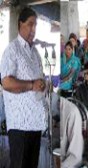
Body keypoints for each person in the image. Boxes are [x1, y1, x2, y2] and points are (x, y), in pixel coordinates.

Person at [0, 7, 47, 168]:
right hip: (20, 124)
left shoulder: (35, 53)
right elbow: (6, 82)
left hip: (35, 121)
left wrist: (43, 84)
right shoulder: (12, 50)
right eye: (30, 24)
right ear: (20, 24)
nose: (34, 29)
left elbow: (38, 80)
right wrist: (31, 85)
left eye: (36, 25)